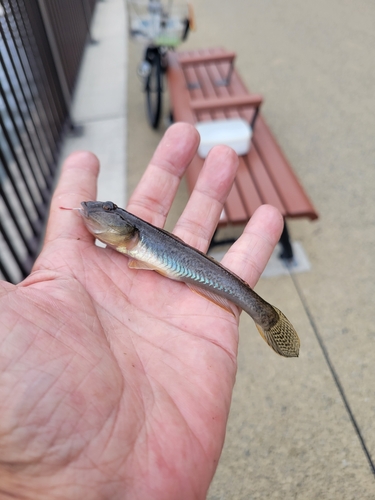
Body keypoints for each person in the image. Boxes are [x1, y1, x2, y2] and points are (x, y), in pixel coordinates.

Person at [0, 123, 283, 499]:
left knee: (229, 288)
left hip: (194, 271)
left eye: (109, 210)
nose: (98, 211)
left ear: (122, 222)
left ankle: (266, 316)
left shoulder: (131, 233)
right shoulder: (125, 236)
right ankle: (265, 315)